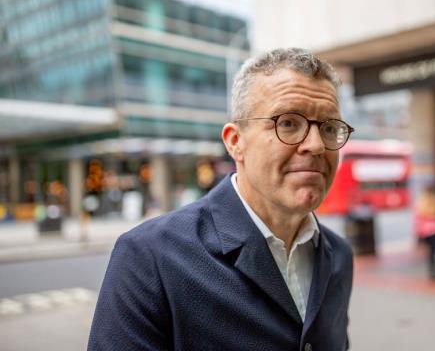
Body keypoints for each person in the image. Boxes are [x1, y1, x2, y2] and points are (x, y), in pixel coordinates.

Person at [88, 48, 355, 350]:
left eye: (330, 128)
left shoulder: (339, 255)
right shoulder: (149, 257)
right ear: (235, 142)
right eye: (289, 123)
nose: (317, 145)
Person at [414, 185, 435, 281]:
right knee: (434, 250)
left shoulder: (421, 201)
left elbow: (418, 217)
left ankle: (432, 267)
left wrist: (418, 231)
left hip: (426, 230)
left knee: (430, 251)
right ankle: (433, 266)